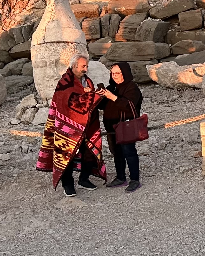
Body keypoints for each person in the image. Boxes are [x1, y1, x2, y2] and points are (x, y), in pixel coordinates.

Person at [36, 55, 107, 197]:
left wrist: (94, 94)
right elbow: (73, 103)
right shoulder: (65, 83)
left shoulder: (87, 81)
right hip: (68, 128)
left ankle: (84, 179)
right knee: (67, 153)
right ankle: (67, 184)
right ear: (74, 66)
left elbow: (88, 103)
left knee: (88, 152)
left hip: (86, 126)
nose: (86, 69)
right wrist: (93, 95)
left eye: (86, 66)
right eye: (83, 66)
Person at [97, 63, 143, 192]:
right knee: (116, 152)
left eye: (118, 73)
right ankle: (121, 177)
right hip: (111, 126)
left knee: (129, 151)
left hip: (126, 125)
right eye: (113, 73)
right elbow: (103, 106)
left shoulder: (132, 88)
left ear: (125, 73)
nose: (115, 76)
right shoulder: (111, 87)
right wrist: (99, 96)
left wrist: (112, 97)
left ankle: (135, 179)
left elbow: (129, 106)